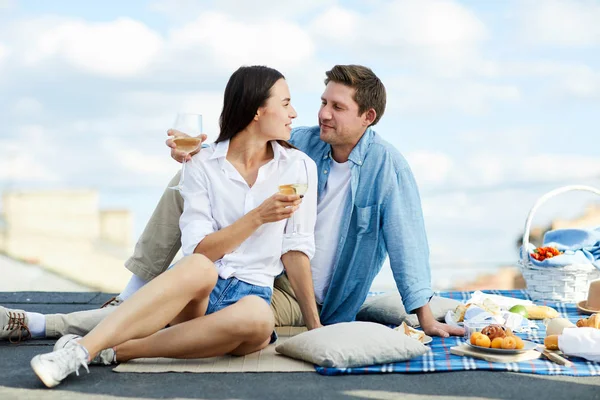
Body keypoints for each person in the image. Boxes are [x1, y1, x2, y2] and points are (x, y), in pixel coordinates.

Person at [0, 64, 463, 344]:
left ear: (368, 116)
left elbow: (407, 241)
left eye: (337, 108)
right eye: (322, 101)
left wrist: (424, 317)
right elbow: (241, 143)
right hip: (256, 268)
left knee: (170, 319)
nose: (320, 113)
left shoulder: (387, 168)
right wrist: (195, 155)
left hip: (306, 297)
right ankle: (134, 287)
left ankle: (50, 325)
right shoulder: (303, 143)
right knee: (186, 176)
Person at [28, 65, 320, 388]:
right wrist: (258, 217)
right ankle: (78, 352)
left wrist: (316, 330)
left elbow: (296, 250)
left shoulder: (299, 167)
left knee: (260, 318)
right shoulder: (200, 165)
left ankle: (120, 350)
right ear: (256, 110)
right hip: (198, 295)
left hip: (251, 299)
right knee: (199, 266)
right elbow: (200, 249)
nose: (293, 113)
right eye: (285, 103)